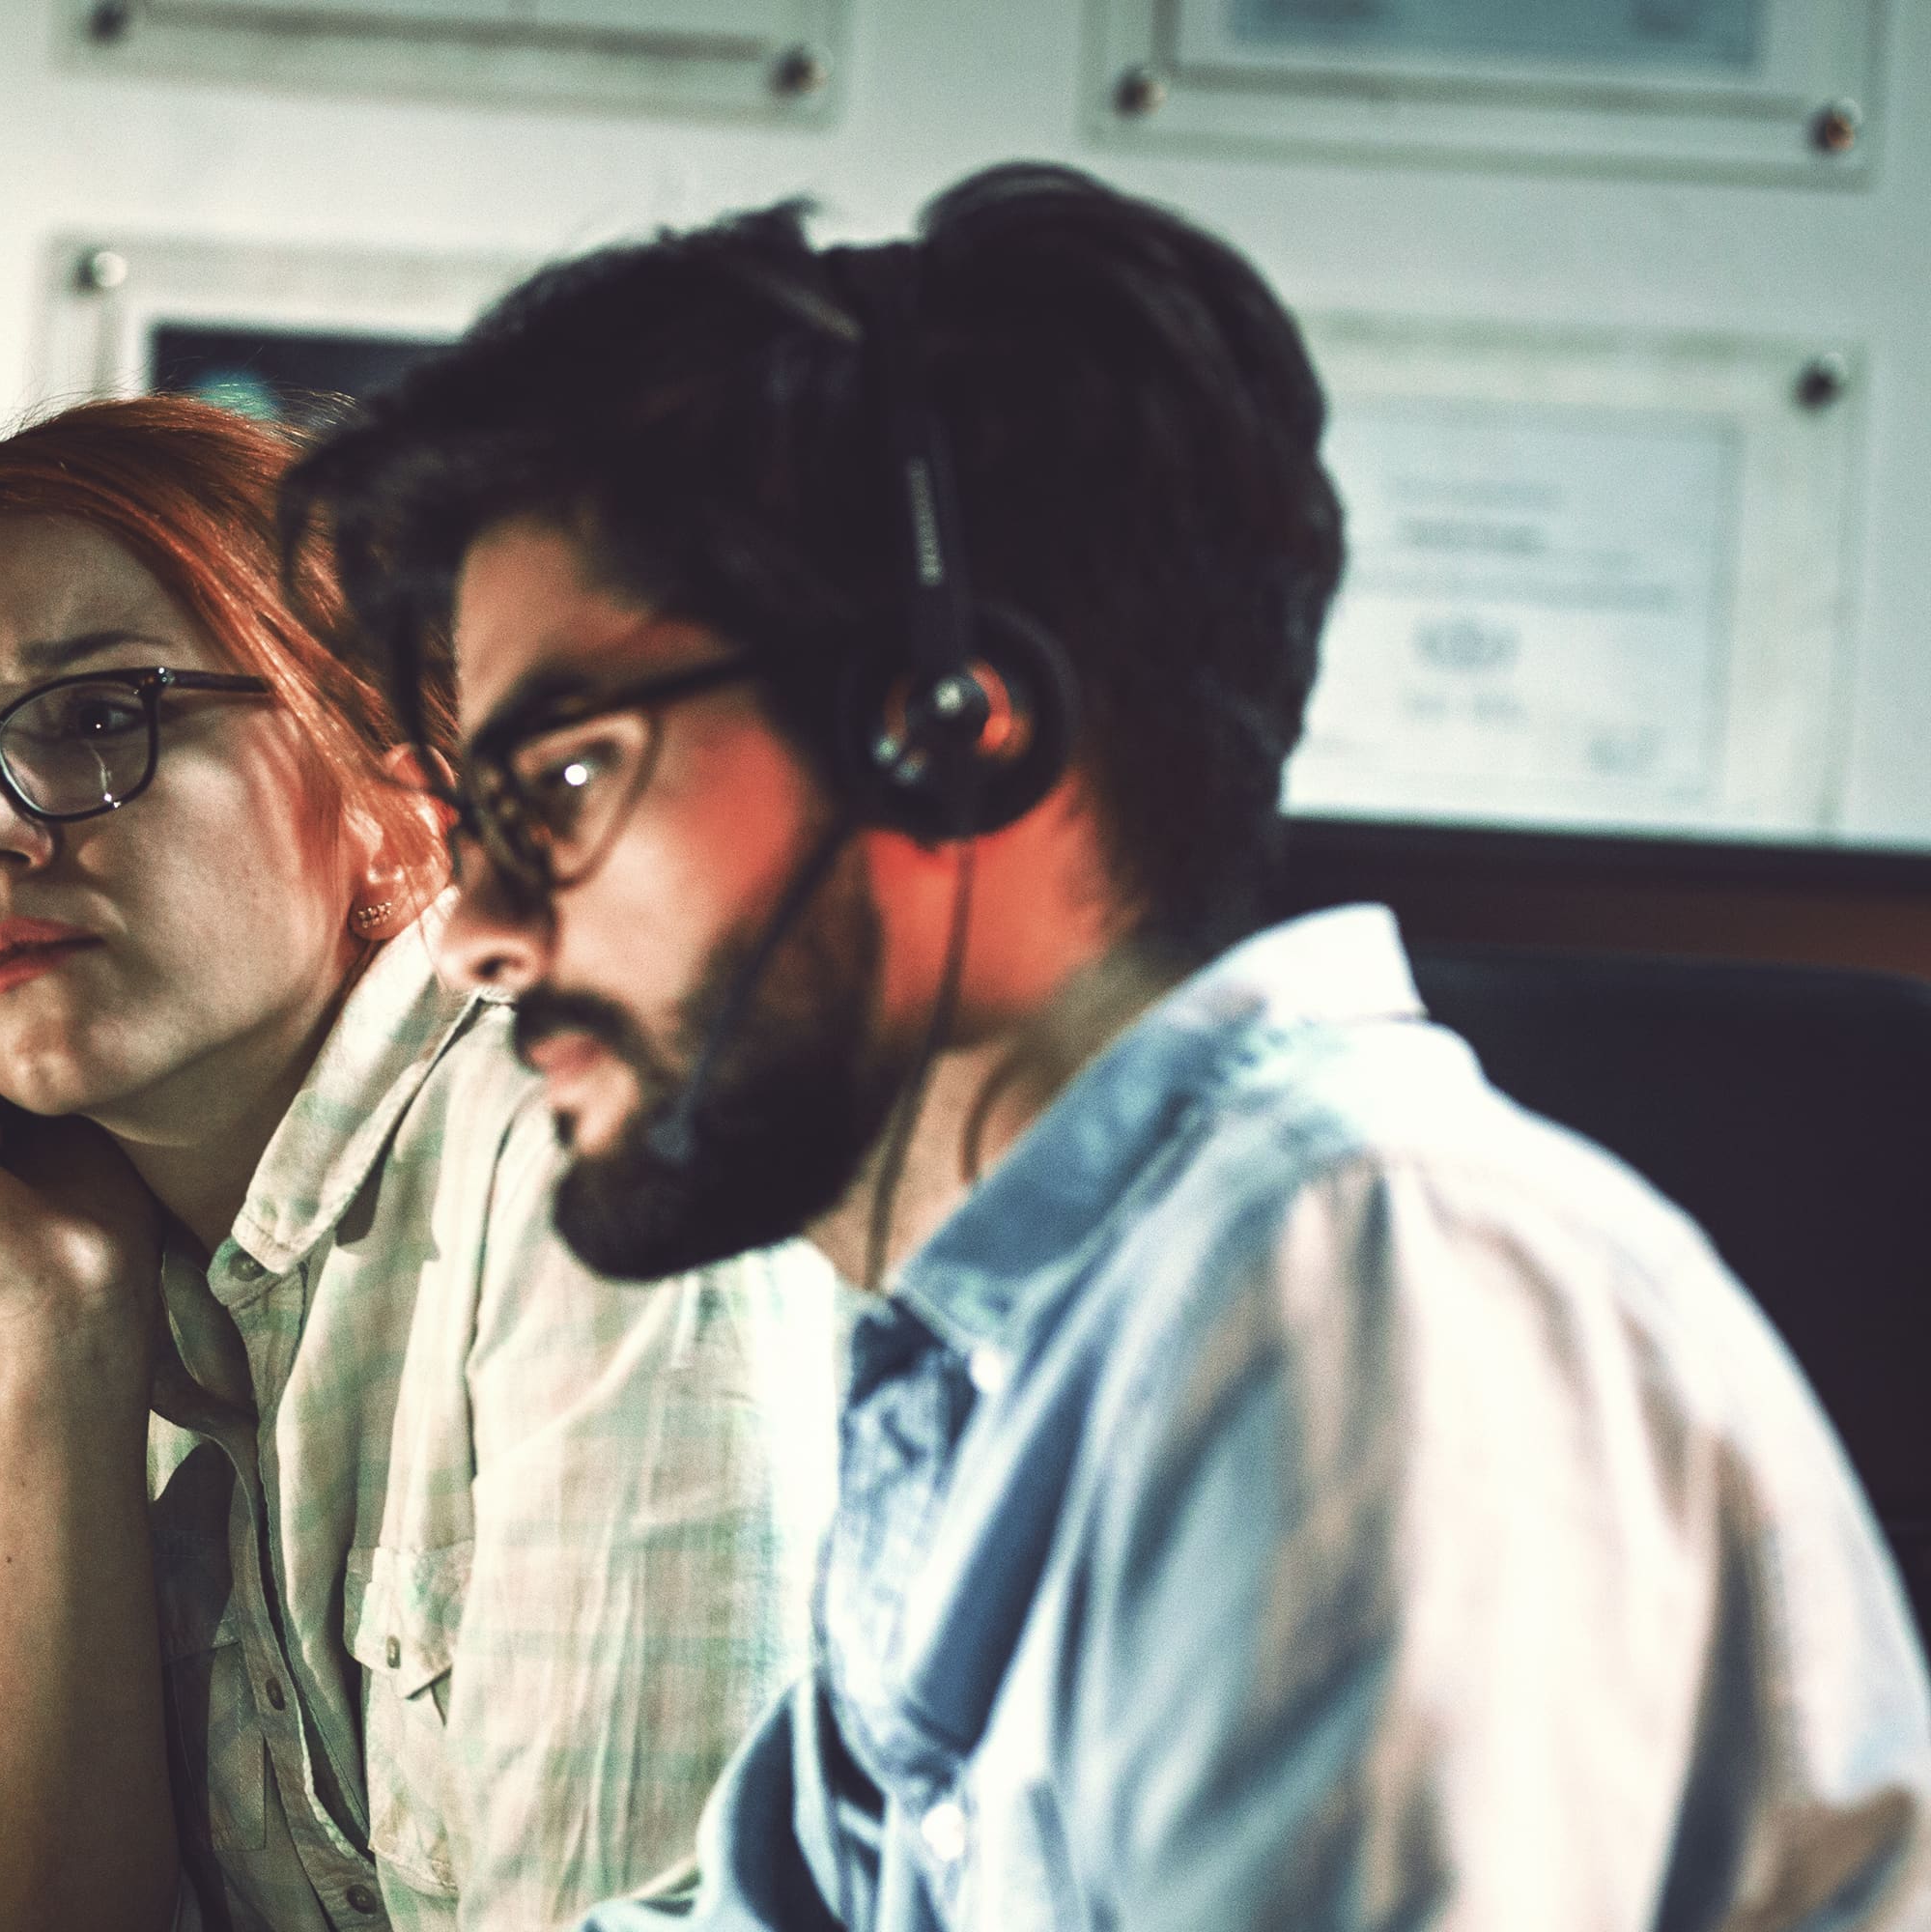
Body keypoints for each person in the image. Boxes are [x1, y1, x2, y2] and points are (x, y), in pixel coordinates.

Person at [277, 161, 1931, 1928]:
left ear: (940, 730)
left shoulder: (1353, 1296)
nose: (478, 932)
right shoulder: (1012, 1358)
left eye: (565, 784)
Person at [0, 396, 845, 1932]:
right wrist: (64, 1327)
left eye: (99, 715)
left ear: (395, 804)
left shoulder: (608, 1163)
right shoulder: (29, 1228)